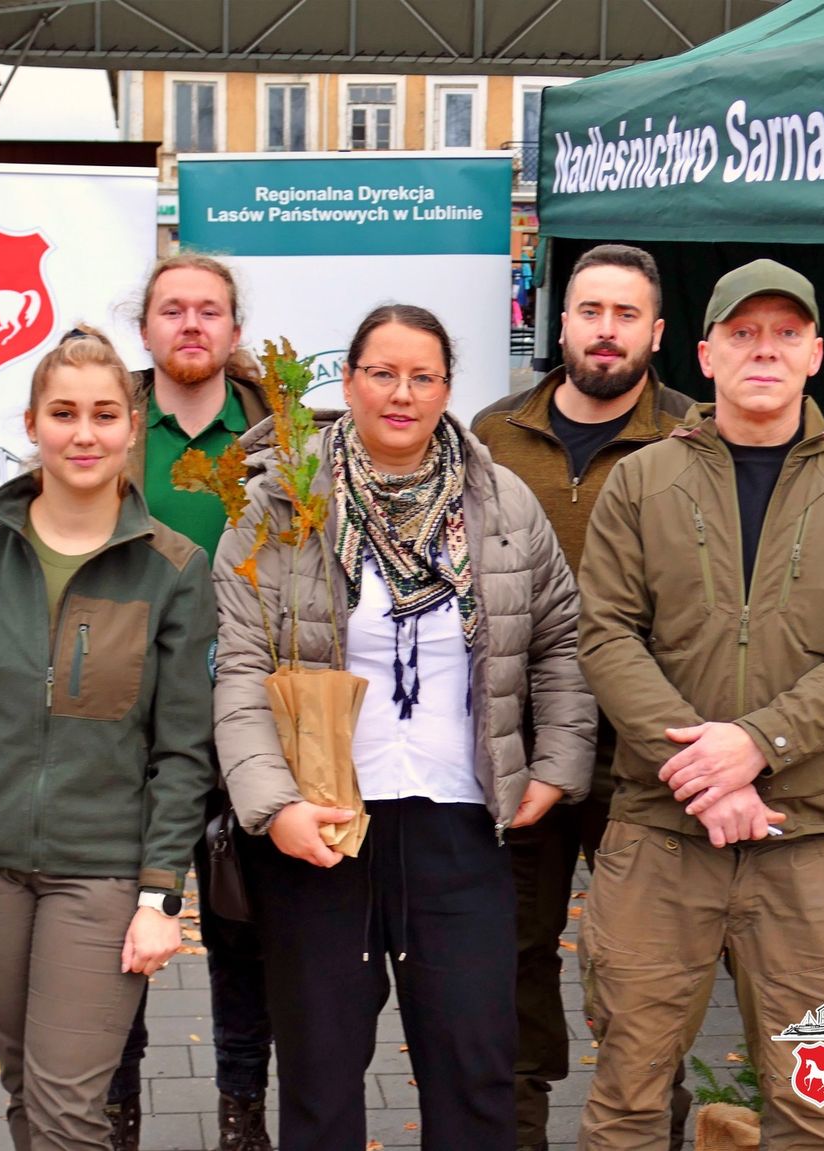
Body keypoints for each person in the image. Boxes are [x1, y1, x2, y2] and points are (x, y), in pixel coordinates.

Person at [213, 304, 596, 1151]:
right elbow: (240, 668)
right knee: (318, 1075)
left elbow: (560, 642)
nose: (401, 392)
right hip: (321, 828)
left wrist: (558, 762)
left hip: (461, 821)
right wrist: (273, 804)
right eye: (381, 372)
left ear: (448, 390)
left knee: (475, 1068)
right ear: (347, 382)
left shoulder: (504, 505)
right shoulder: (279, 505)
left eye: (422, 376)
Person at [575, 260, 824, 1148]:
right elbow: (608, 636)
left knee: (817, 1110)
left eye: (784, 334)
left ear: (815, 352)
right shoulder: (644, 480)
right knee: (628, 1098)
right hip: (658, 837)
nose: (763, 349)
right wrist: (706, 772)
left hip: (803, 841)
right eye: (742, 333)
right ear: (705, 352)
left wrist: (758, 743)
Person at [0, 326, 216, 1151]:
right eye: (64, 412)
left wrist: (160, 891)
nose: (83, 433)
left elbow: (185, 748)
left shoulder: (173, 567)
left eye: (104, 414)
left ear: (131, 425)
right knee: (25, 1083)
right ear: (32, 424)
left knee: (68, 1103)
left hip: (103, 868)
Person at [471, 243, 694, 1151]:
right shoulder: (490, 434)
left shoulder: (697, 436)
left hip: (651, 752)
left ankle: (650, 1128)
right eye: (590, 311)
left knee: (649, 968)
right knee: (511, 954)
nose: (606, 332)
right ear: (559, 321)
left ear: (658, 332)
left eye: (626, 315)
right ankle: (516, 1131)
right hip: (518, 753)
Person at [108, 252, 274, 1151]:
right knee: (119, 928)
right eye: (173, 309)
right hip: (130, 726)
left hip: (249, 722)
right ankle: (116, 1107)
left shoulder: (279, 434)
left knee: (246, 935)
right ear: (147, 328)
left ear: (234, 331)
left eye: (210, 309)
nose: (192, 324)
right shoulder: (112, 426)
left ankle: (242, 1113)